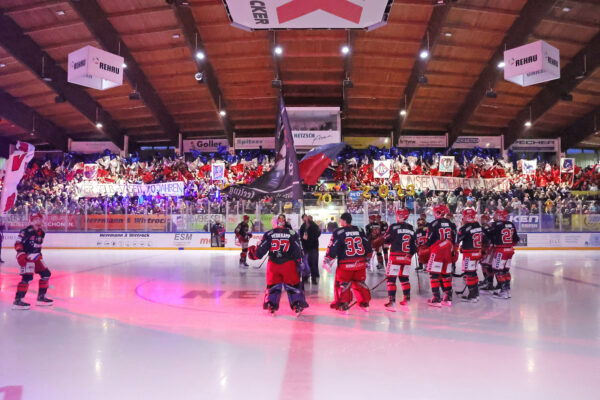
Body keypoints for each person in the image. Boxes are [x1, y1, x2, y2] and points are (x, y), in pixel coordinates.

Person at [248, 214, 308, 315]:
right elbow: (299, 251)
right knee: (293, 286)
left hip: (273, 266)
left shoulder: (269, 233)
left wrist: (253, 251)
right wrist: (300, 263)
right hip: (289, 265)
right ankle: (297, 305)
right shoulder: (292, 233)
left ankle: (271, 304)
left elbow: (259, 253)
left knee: (273, 286)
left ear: (275, 222)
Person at [323, 212, 372, 312]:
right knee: (360, 283)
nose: (340, 221)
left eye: (340, 219)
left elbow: (333, 247)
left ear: (344, 220)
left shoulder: (339, 231)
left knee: (342, 284)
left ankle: (343, 304)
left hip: (346, 264)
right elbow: (367, 245)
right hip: (360, 263)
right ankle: (365, 303)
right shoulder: (359, 230)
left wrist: (328, 259)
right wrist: (368, 259)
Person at [13, 214, 53, 310]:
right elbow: (18, 243)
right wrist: (21, 254)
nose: (38, 220)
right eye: (35, 219)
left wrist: (39, 255)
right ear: (31, 221)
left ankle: (41, 298)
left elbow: (38, 246)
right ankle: (18, 301)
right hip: (26, 257)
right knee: (27, 278)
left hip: (36, 257)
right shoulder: (26, 231)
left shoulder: (42, 232)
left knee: (46, 274)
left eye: (39, 218)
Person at [383, 208, 416, 311]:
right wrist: (408, 255)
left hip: (395, 257)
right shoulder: (411, 228)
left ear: (400, 216)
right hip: (406, 257)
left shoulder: (393, 227)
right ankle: (407, 299)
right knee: (404, 278)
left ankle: (392, 302)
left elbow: (386, 239)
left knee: (391, 279)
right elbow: (414, 246)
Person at [425, 204, 457, 307]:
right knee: (446, 275)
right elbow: (456, 239)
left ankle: (436, 298)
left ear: (438, 213)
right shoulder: (451, 224)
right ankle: (448, 298)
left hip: (437, 251)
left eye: (435, 212)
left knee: (433, 275)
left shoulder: (433, 224)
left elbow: (428, 241)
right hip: (448, 251)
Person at [488, 209, 520, 299]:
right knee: (505, 270)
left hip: (501, 250)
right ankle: (507, 290)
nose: (494, 216)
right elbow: (516, 239)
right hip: (510, 250)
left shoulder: (496, 224)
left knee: (498, 270)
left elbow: (488, 235)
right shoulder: (511, 224)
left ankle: (503, 291)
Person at [457, 208, 483, 302]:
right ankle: (476, 294)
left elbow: (457, 239)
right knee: (473, 273)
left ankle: (472, 295)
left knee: (469, 274)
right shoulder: (478, 225)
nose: (462, 217)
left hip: (469, 254)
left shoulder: (465, 228)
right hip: (477, 252)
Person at [299, 214, 321, 284]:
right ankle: (305, 278)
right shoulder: (303, 226)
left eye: (308, 218)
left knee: (313, 263)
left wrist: (311, 238)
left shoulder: (314, 226)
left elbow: (318, 233)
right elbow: (301, 236)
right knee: (306, 263)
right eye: (305, 218)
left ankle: (314, 278)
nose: (307, 219)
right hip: (306, 248)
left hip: (313, 247)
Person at [479, 214, 495, 292]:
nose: (481, 220)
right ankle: (486, 280)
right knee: (483, 265)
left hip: (488, 249)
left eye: (483, 219)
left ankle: (490, 283)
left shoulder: (488, 228)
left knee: (488, 266)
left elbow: (489, 239)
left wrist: (486, 248)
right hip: (484, 248)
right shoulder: (482, 227)